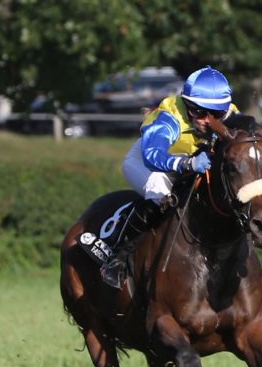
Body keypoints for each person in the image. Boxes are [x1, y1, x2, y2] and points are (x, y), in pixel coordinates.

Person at [100, 65, 238, 289]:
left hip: (191, 165)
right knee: (159, 188)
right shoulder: (170, 115)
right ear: (187, 105)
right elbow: (152, 155)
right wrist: (187, 163)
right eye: (200, 112)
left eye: (216, 114)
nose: (208, 121)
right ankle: (117, 258)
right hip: (151, 163)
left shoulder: (233, 115)